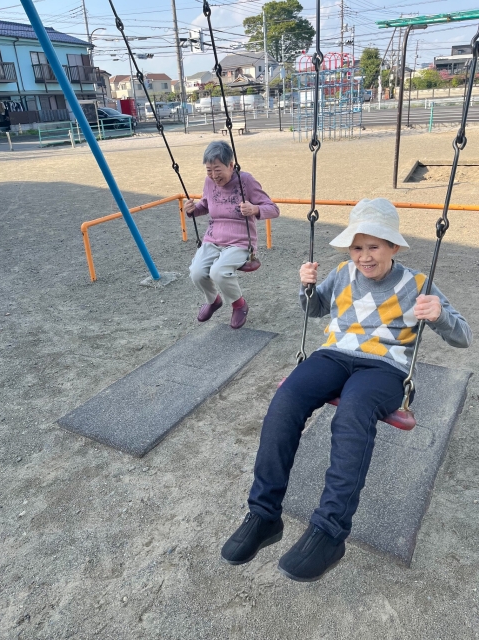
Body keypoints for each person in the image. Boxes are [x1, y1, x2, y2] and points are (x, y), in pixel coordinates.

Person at [221, 198, 472, 582]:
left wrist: (439, 315)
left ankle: (330, 531)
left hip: (385, 367)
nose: (364, 257)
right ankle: (263, 514)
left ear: (394, 246)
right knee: (286, 400)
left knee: (353, 412)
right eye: (357, 247)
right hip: (334, 355)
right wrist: (307, 288)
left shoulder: (417, 284)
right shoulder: (341, 273)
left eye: (374, 247)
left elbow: (462, 337)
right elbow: (315, 309)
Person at [184, 141, 279, 329]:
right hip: (213, 238)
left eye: (217, 170)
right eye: (209, 170)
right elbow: (206, 205)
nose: (213, 176)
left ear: (231, 165)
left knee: (218, 271)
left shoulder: (246, 181)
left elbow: (273, 209)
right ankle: (213, 300)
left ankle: (239, 304)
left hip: (240, 241)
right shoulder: (209, 182)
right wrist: (192, 209)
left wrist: (255, 209)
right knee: (196, 272)